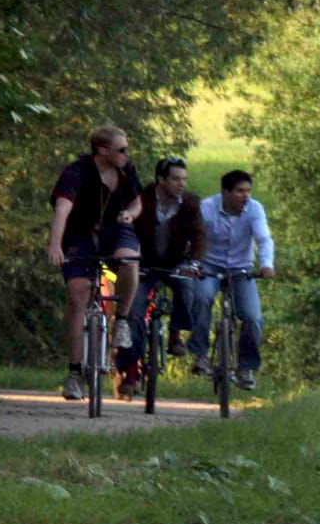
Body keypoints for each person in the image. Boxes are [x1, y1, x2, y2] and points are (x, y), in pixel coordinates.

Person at [47, 126, 143, 401]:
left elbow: (138, 203)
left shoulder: (127, 170)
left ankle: (121, 320)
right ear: (103, 150)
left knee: (129, 261)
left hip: (116, 229)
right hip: (80, 233)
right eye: (121, 149)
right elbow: (62, 210)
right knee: (78, 294)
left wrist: (129, 214)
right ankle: (75, 373)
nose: (126, 154)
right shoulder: (77, 172)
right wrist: (55, 245)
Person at [115, 155, 205, 401]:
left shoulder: (189, 203)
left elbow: (199, 236)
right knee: (132, 312)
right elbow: (128, 231)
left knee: (189, 291)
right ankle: (130, 373)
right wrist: (132, 261)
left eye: (184, 179)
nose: (181, 184)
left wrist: (194, 262)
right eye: (176, 179)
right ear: (161, 180)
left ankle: (176, 333)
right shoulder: (142, 199)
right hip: (144, 265)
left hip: (176, 264)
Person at [188, 168, 275, 390]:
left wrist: (266, 264)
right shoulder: (207, 208)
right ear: (225, 193)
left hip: (241, 269)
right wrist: (193, 264)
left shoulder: (255, 209)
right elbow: (195, 237)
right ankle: (200, 355)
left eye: (248, 191)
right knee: (202, 298)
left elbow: (264, 238)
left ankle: (245, 368)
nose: (245, 196)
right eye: (239, 191)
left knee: (253, 317)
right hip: (209, 265)